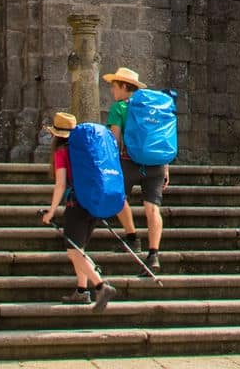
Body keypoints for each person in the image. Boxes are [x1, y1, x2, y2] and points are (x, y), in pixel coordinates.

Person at [38, 112, 115, 307]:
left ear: (56, 135)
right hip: (93, 203)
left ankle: (100, 286)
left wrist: (51, 211)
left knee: (73, 252)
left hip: (76, 205)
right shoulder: (85, 150)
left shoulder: (61, 152)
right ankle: (81, 291)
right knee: (79, 249)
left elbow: (61, 184)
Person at [103, 66, 166, 270]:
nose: (112, 91)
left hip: (129, 162)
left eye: (114, 87)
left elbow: (114, 140)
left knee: (117, 196)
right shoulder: (153, 109)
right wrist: (166, 167)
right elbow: (162, 139)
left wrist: (108, 166)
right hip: (156, 163)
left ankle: (132, 237)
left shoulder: (119, 108)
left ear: (123, 86)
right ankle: (154, 254)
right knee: (152, 208)